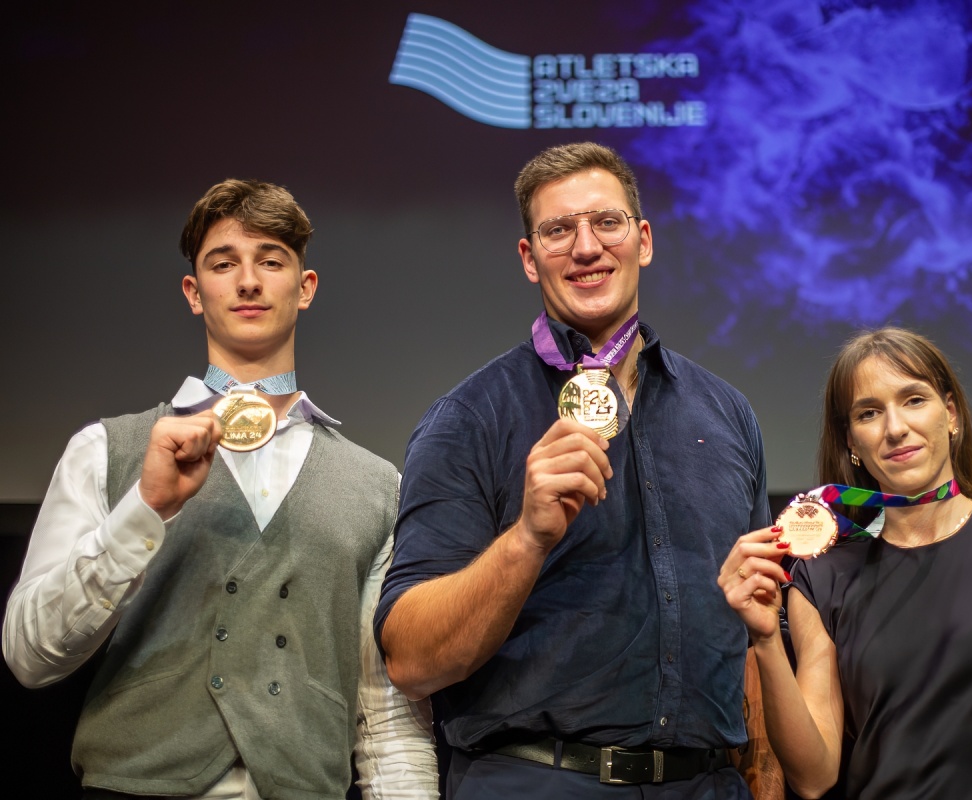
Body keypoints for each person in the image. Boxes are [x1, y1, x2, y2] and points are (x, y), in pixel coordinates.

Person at [2, 179, 438, 799]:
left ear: (305, 288)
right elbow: (29, 655)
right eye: (224, 263)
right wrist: (145, 510)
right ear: (193, 292)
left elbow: (387, 716)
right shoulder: (105, 450)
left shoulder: (377, 485)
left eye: (271, 261)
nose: (249, 281)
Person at [374, 141, 772, 799]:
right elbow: (411, 660)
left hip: (706, 784)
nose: (586, 247)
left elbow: (754, 626)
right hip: (537, 781)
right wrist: (527, 537)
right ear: (530, 259)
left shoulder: (727, 413)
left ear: (642, 240)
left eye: (607, 223)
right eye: (559, 230)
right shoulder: (469, 418)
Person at [720, 327, 972, 799]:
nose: (895, 428)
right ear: (852, 442)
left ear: (951, 414)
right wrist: (768, 641)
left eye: (913, 399)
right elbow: (814, 778)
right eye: (869, 413)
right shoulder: (822, 576)